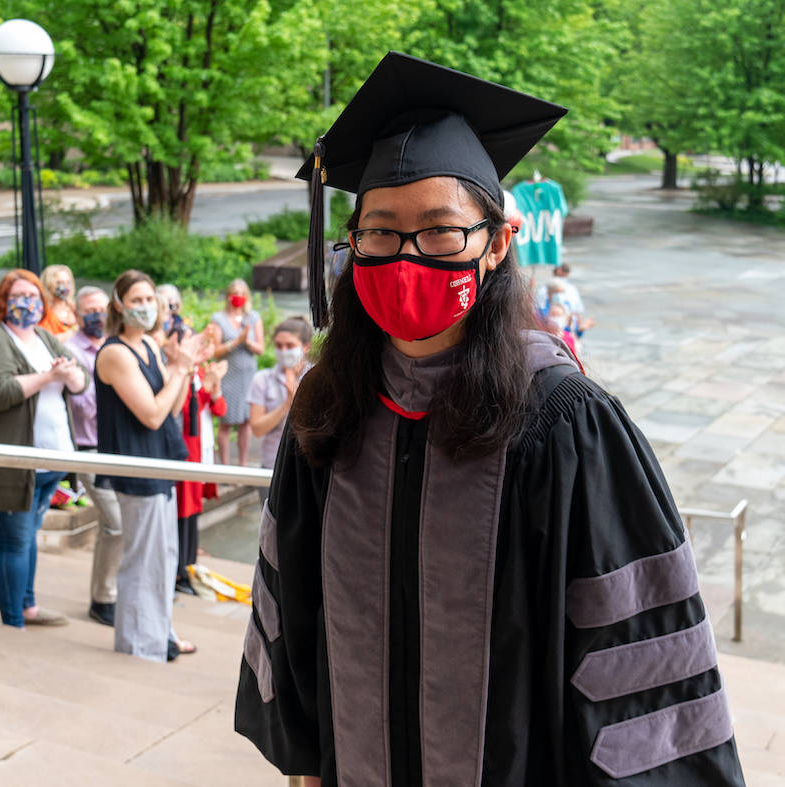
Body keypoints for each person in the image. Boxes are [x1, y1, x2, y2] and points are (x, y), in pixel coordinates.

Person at [235, 53, 745, 787]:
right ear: (353, 242)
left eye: (442, 231)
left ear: (497, 241)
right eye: (381, 232)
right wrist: (305, 769)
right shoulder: (330, 405)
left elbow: (634, 653)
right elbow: (294, 615)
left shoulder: (566, 422)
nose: (407, 254)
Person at [0, 269, 89, 628]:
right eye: (18, 295)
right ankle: (12, 620)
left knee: (28, 537)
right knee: (14, 541)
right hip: (10, 466)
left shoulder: (43, 336)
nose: (27, 303)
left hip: (49, 462)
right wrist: (50, 376)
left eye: (33, 296)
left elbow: (81, 379)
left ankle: (28, 607)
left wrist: (71, 375)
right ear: (3, 299)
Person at [94, 270, 209, 662]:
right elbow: (152, 415)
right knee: (141, 561)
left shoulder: (148, 344)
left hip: (160, 465)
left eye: (149, 300)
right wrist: (179, 368)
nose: (144, 307)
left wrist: (185, 368)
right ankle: (138, 644)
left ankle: (161, 634)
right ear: (118, 304)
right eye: (136, 299)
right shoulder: (114, 353)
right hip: (137, 469)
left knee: (163, 559)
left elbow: (172, 407)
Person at [63, 285, 125, 626]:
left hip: (121, 450)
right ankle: (104, 599)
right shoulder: (70, 349)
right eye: (89, 310)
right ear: (75, 313)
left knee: (115, 526)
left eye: (102, 309)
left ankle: (108, 594)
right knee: (116, 525)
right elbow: (85, 408)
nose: (97, 315)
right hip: (90, 451)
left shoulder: (117, 344)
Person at [175, 355, 228, 594]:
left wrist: (214, 388)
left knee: (192, 513)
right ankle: (179, 572)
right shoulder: (182, 376)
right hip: (187, 454)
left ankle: (189, 568)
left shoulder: (199, 374)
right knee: (183, 513)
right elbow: (186, 416)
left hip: (201, 453)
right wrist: (205, 385)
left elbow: (220, 409)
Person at [247, 316, 314, 502]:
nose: (283, 351)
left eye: (290, 345)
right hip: (272, 466)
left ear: (305, 347)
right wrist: (288, 404)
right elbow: (257, 428)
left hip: (308, 468)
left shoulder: (318, 378)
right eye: (278, 345)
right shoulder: (262, 380)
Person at [209, 280, 265, 466]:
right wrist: (235, 342)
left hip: (247, 376)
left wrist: (246, 341)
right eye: (234, 292)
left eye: (242, 293)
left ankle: (243, 464)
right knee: (226, 421)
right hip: (227, 376)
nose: (238, 296)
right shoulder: (219, 318)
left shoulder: (253, 317)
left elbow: (260, 349)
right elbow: (214, 350)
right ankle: (224, 466)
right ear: (228, 296)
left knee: (245, 422)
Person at [39, 264, 78, 340]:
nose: (65, 286)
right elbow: (50, 341)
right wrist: (75, 330)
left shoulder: (75, 307)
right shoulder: (43, 312)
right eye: (59, 283)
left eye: (67, 282)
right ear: (48, 285)